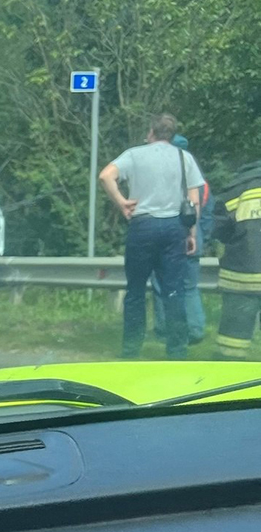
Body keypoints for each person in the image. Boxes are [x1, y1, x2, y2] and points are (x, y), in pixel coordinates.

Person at [99, 114, 204, 360]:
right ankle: (177, 350)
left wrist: (122, 203)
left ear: (151, 133)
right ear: (172, 135)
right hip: (173, 227)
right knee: (174, 289)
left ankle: (131, 350)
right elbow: (194, 200)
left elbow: (106, 176)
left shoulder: (134, 154)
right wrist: (191, 234)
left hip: (143, 226)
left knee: (135, 290)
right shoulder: (184, 158)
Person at [151, 135, 212, 343]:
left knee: (161, 284)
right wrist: (201, 235)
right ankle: (195, 330)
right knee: (189, 286)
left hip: (168, 235)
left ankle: (164, 329)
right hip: (195, 238)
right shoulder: (201, 181)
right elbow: (208, 213)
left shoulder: (163, 175)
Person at [212, 158, 261, 360]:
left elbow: (220, 228)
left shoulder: (238, 188)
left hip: (242, 274)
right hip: (243, 272)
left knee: (233, 339)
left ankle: (228, 373)